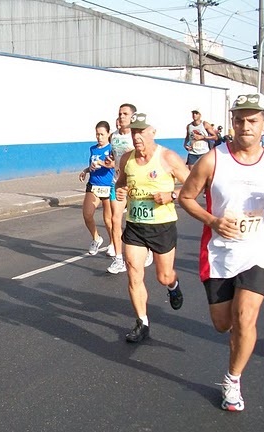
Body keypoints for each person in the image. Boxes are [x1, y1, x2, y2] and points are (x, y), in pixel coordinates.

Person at [178, 93, 264, 412]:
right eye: (239, 119)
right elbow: (186, 197)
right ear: (232, 123)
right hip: (220, 251)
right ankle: (235, 341)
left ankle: (233, 380)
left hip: (259, 249)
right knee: (223, 323)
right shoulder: (213, 159)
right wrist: (212, 221)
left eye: (252, 120)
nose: (245, 125)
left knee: (245, 316)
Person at [115, 112, 190, 343]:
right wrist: (120, 192)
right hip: (136, 225)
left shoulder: (167, 157)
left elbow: (194, 185)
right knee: (134, 272)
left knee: (163, 276)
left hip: (162, 225)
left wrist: (172, 194)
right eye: (134, 131)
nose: (137, 136)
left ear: (152, 133)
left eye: (141, 131)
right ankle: (142, 322)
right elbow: (121, 184)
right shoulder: (126, 159)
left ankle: (173, 285)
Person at [106, 103, 153, 273]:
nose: (121, 116)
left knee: (137, 221)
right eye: (120, 113)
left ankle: (146, 248)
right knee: (115, 219)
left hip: (136, 184)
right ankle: (119, 259)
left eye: (125, 113)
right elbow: (114, 156)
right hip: (117, 182)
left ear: (132, 116)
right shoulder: (114, 136)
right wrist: (111, 162)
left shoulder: (136, 137)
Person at [79, 120, 114, 255]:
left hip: (108, 185)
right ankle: (96, 238)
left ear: (108, 134)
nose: (99, 137)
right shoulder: (93, 149)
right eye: (97, 134)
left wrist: (102, 163)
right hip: (93, 184)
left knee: (108, 219)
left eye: (102, 134)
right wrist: (86, 170)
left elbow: (113, 165)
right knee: (87, 215)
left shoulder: (112, 148)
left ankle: (112, 243)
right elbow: (93, 165)